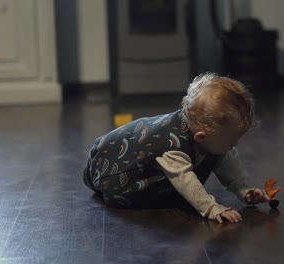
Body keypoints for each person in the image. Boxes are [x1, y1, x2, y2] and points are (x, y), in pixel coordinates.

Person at [83, 72, 273, 223]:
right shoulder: (173, 147)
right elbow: (185, 180)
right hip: (117, 176)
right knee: (177, 181)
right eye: (231, 141)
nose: (235, 145)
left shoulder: (203, 131)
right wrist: (211, 208)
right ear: (201, 136)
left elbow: (226, 160)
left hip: (115, 158)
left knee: (219, 152)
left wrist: (243, 190)